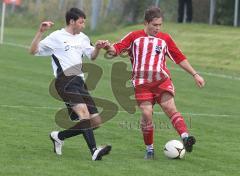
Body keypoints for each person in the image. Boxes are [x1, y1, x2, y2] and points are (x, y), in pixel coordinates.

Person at [105, 7, 205, 159]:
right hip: (141, 83)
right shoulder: (134, 36)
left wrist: (195, 74)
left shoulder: (165, 39)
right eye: (155, 25)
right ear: (146, 23)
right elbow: (116, 49)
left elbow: (179, 57)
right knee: (146, 114)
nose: (158, 28)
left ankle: (185, 137)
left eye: (160, 25)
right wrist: (107, 47)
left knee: (169, 107)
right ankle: (149, 149)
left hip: (161, 81)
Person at [29, 8, 112, 161]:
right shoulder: (57, 37)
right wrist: (40, 32)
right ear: (72, 21)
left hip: (79, 82)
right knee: (84, 115)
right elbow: (33, 51)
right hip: (64, 80)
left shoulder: (83, 37)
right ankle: (94, 151)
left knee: (95, 121)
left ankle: (58, 136)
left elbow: (92, 56)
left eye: (84, 22)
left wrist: (98, 48)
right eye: (81, 22)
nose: (83, 25)